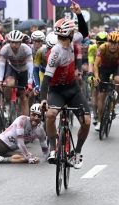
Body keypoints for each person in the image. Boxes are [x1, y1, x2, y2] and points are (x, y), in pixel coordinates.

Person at [40, 0, 90, 169]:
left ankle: (77, 152)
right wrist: (43, 99)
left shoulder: (72, 39)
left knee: (87, 122)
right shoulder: (56, 52)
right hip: (57, 90)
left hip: (73, 88)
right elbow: (46, 79)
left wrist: (79, 13)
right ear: (69, 34)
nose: (75, 33)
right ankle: (54, 150)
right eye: (72, 31)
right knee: (51, 115)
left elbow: (84, 32)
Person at [93, 31, 119, 131]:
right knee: (102, 95)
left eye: (115, 43)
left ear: (118, 43)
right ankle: (99, 121)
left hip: (115, 67)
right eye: (111, 42)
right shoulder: (102, 48)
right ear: (108, 42)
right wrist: (96, 77)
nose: (113, 45)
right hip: (104, 68)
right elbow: (95, 64)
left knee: (117, 80)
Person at [0, 29, 34, 116]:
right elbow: (2, 66)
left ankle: (25, 122)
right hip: (12, 68)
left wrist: (29, 82)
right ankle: (7, 104)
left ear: (20, 42)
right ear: (9, 42)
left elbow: (30, 67)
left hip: (24, 70)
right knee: (9, 83)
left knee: (24, 98)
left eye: (16, 42)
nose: (14, 45)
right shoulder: (4, 49)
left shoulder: (26, 49)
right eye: (12, 42)